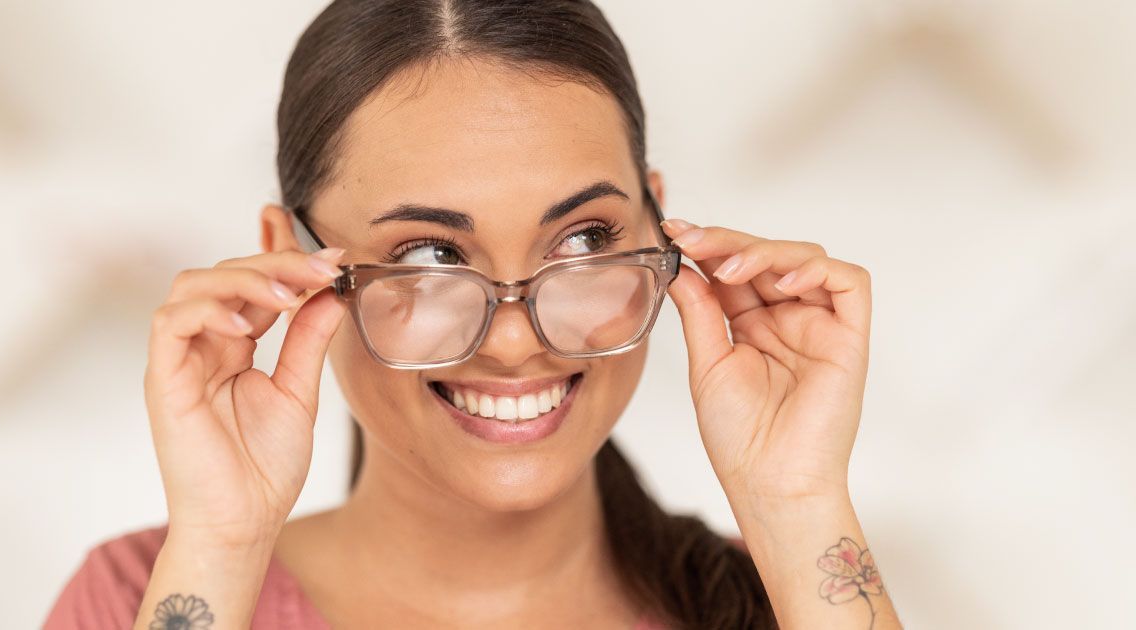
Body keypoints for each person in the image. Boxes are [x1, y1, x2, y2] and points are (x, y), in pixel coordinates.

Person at [45, 1, 901, 628]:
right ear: (291, 263)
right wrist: (222, 546)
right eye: (428, 256)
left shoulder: (792, 598)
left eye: (583, 239)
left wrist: (796, 502)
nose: (517, 339)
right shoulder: (141, 597)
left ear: (658, 222)